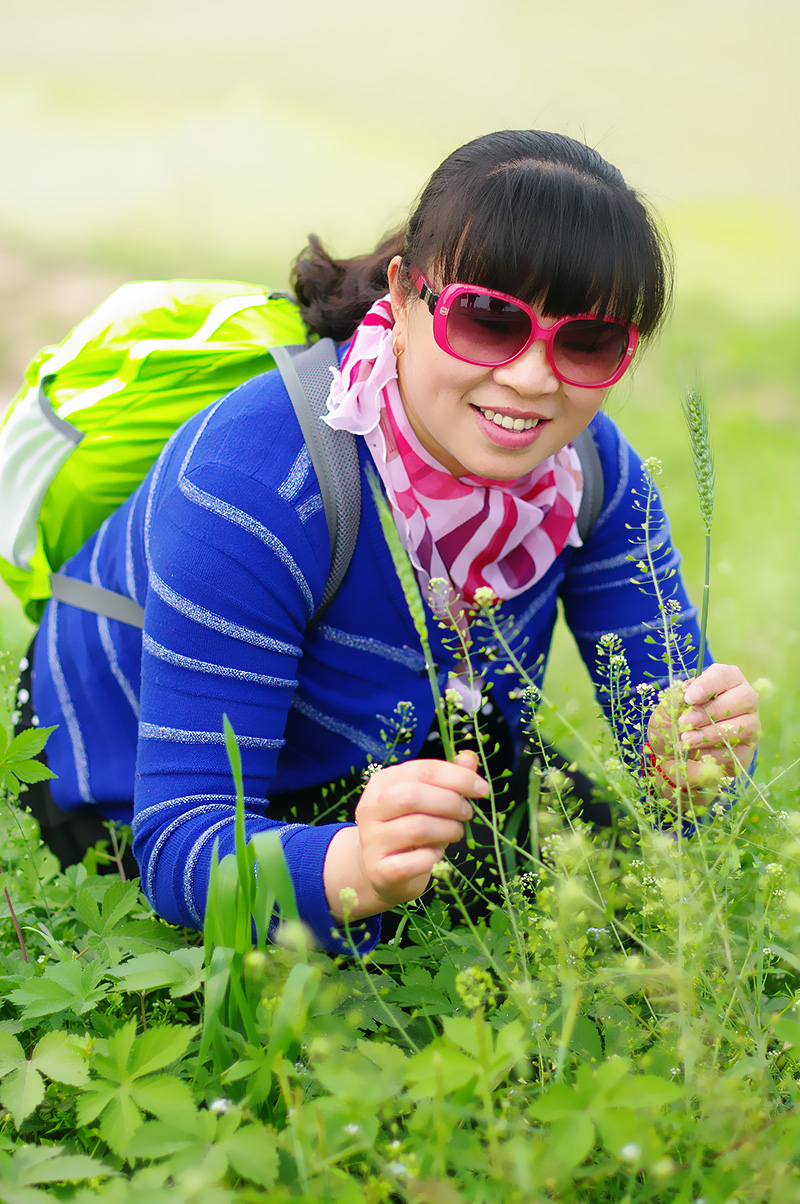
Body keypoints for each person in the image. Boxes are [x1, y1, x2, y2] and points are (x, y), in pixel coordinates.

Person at [21, 130, 760, 952]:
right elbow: (181, 838)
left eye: (586, 341)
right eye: (488, 320)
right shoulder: (258, 481)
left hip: (398, 757)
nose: (531, 377)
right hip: (130, 799)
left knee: (619, 914)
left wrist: (700, 764)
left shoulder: (593, 472)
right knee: (376, 989)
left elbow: (678, 779)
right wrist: (353, 868)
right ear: (405, 298)